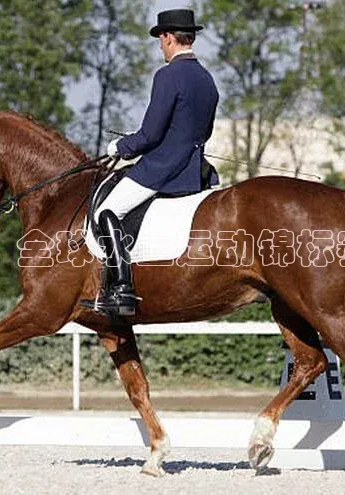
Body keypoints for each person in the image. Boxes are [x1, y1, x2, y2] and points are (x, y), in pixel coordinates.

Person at [80, 8, 220, 316]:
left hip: (163, 169)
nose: (161, 46)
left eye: (160, 39)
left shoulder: (168, 75)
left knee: (106, 211)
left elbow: (151, 133)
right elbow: (205, 131)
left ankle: (121, 289)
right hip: (195, 169)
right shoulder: (207, 79)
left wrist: (121, 147)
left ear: (168, 37)